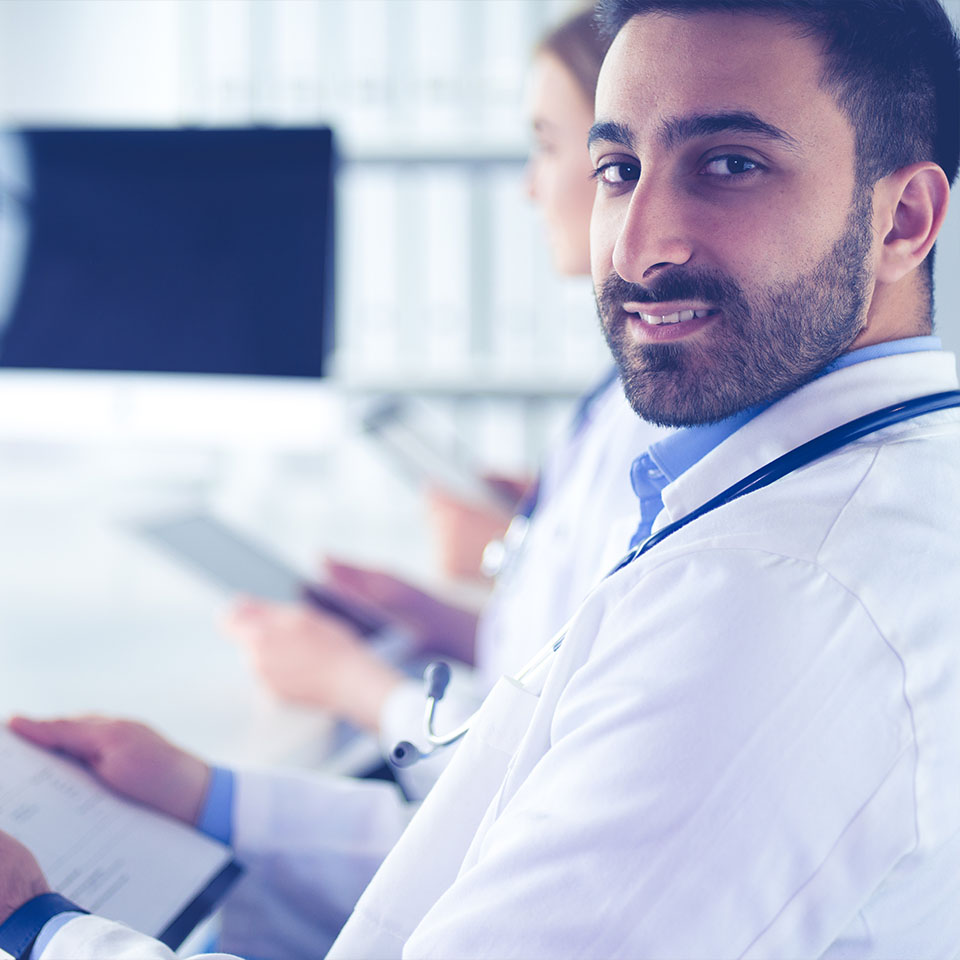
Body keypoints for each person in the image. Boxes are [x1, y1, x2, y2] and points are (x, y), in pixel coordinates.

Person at [3, 0, 960, 957]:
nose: (637, 244)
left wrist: (40, 928)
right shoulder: (835, 492)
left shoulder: (780, 594)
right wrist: (214, 800)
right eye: (618, 170)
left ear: (903, 220)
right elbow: (517, 846)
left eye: (731, 165)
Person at [223, 8, 666, 784]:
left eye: (552, 146)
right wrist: (421, 612)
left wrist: (347, 680)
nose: (529, 187)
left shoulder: (661, 423)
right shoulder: (620, 394)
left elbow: (527, 766)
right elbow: (545, 658)